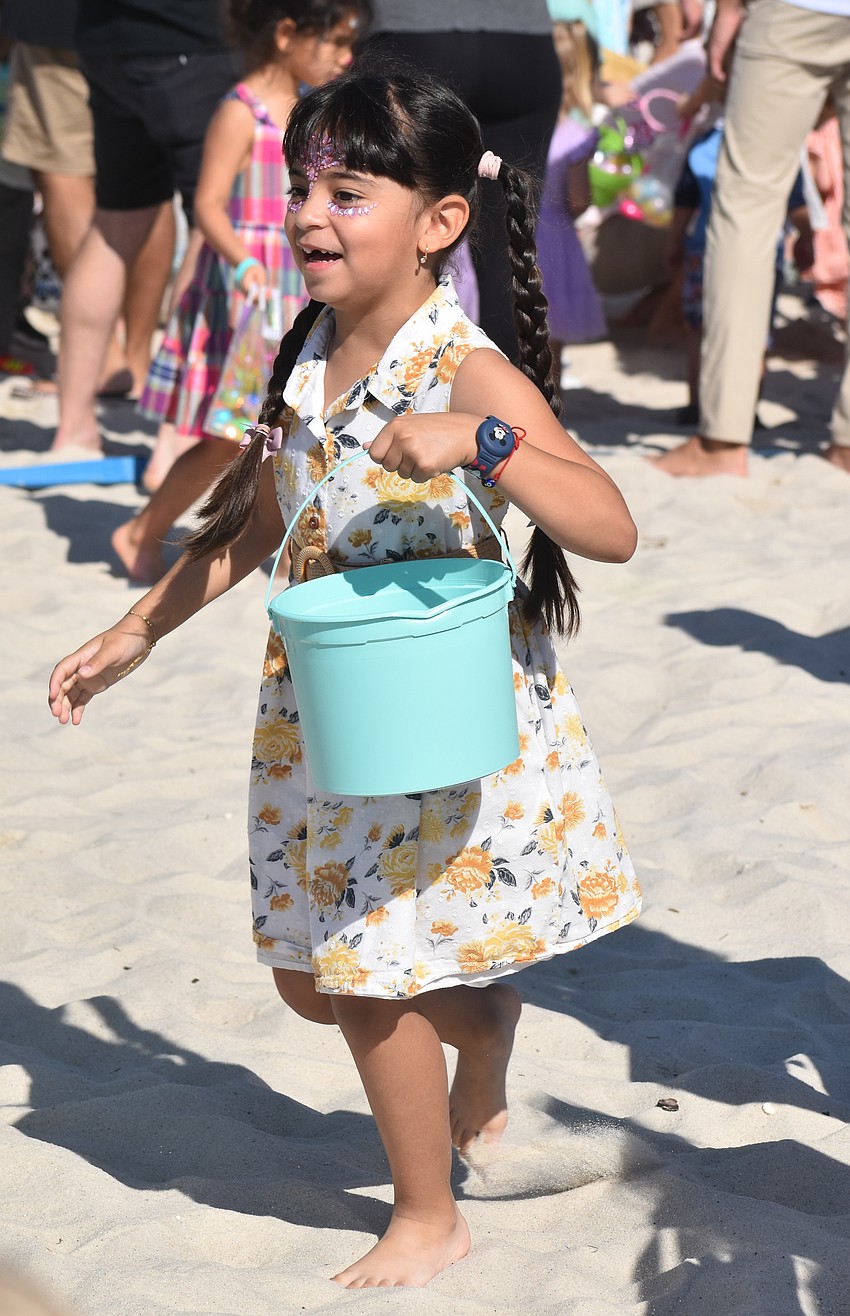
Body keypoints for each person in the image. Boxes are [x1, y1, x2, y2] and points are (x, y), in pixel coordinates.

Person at [49, 63, 641, 1289]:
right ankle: (483, 1025)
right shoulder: (305, 348)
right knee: (310, 982)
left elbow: (607, 522)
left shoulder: (464, 366)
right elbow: (259, 524)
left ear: (438, 223)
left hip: (432, 707)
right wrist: (138, 631)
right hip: (322, 709)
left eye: (348, 192)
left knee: (368, 978)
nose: (309, 215)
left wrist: (485, 443)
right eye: (300, 186)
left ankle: (429, 1213)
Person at [111, 0, 371, 584]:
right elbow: (206, 205)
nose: (344, 56)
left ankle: (275, 542)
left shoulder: (314, 115)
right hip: (247, 290)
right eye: (332, 41)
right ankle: (142, 525)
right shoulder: (241, 110)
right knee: (232, 434)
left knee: (287, 423)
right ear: (285, 35)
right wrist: (241, 261)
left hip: (299, 281)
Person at [652, 0, 850, 477]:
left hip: (796, 10)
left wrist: (730, 8)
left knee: (746, 207)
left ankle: (722, 440)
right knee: (749, 207)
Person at [48, 0, 239, 457]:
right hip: (192, 40)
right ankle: (175, 437)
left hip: (107, 42)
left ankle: (72, 428)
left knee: (114, 221)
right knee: (211, 226)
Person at [365, 1, 563, 361]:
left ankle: (393, 392)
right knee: (507, 248)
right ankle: (505, 406)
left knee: (396, 236)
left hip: (414, 34)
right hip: (523, 46)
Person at [0, 0, 175, 397]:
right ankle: (138, 359)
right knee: (147, 176)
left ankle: (105, 360)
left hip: (61, 22)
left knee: (62, 169)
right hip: (161, 26)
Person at [537, 17, 609, 395]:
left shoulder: (515, 124)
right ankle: (550, 413)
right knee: (549, 342)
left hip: (511, 230)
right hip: (554, 243)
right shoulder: (576, 134)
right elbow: (578, 202)